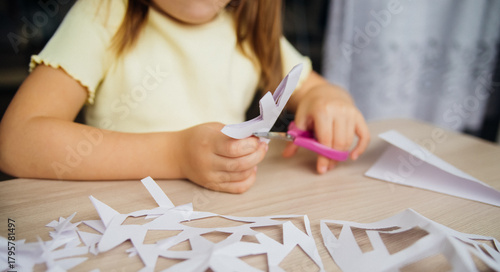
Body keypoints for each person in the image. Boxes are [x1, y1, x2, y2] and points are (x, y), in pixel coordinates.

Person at [0, 0, 370, 194]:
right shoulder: (105, 12)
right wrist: (177, 155)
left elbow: (313, 87)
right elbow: (17, 140)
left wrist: (328, 99)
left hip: (223, 231)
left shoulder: (245, 26)